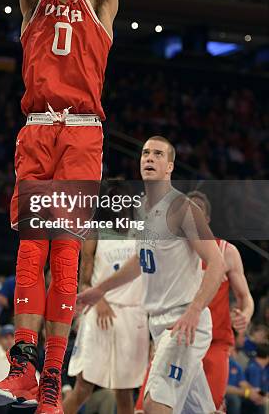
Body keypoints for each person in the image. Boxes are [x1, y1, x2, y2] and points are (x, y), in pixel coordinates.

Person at [0, 0, 118, 414]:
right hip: (38, 131)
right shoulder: (34, 5)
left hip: (82, 134)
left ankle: (50, 385)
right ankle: (22, 366)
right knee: (29, 250)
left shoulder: (103, 9)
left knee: (65, 258)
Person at [78, 136, 226, 414]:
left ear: (170, 166)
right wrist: (100, 290)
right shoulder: (142, 208)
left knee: (154, 404)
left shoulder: (182, 208)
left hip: (183, 324)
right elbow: (140, 262)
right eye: (146, 153)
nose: (149, 158)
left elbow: (216, 262)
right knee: (201, 410)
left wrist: (195, 309)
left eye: (158, 154)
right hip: (159, 325)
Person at [135, 190, 255, 412]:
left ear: (205, 219)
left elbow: (245, 298)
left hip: (215, 343)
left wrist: (245, 315)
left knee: (206, 407)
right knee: (149, 406)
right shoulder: (170, 249)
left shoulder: (226, 251)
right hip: (177, 334)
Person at [63, 238, 148, 414]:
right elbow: (84, 281)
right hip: (98, 310)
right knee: (83, 388)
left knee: (125, 392)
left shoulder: (143, 228)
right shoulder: (95, 232)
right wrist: (99, 299)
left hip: (132, 313)